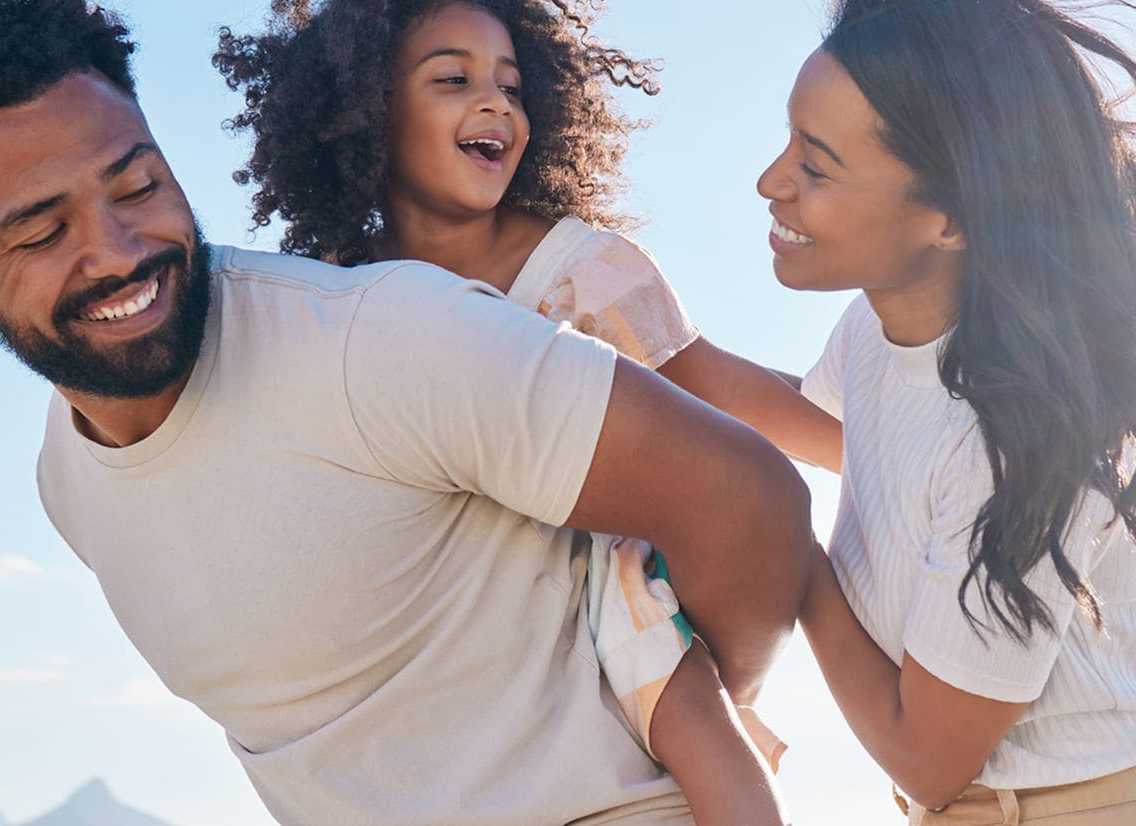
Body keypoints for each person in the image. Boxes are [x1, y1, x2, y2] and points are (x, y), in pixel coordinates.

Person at [0, 1, 814, 824]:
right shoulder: (69, 483)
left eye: (139, 184)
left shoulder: (379, 340)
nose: (120, 248)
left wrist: (680, 707)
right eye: (43, 231)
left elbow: (747, 495)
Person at [215, 5, 838, 820]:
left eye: (511, 86)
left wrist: (876, 441)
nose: (496, 104)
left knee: (696, 721)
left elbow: (716, 386)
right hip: (471, 634)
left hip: (607, 578)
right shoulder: (342, 299)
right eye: (453, 79)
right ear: (365, 110)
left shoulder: (576, 270)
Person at [759, 1, 1136, 823]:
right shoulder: (879, 325)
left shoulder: (1020, 439)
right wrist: (641, 337)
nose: (773, 182)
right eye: (790, 140)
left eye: (818, 166)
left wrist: (779, 543)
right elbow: (832, 431)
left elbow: (928, 759)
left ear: (952, 219)